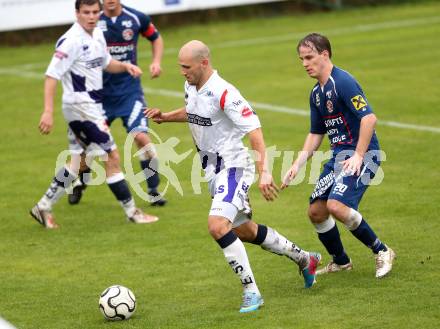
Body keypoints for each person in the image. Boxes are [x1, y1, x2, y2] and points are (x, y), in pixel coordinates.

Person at [145, 40, 321, 313]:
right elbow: (196, 113)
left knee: (217, 226)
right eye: (180, 66)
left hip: (234, 168)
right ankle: (305, 259)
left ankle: (252, 292)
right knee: (244, 231)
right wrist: (166, 117)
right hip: (212, 171)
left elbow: (255, 131)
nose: (182, 72)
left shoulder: (225, 92)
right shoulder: (191, 85)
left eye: (186, 67)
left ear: (204, 63)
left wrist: (264, 172)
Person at [29, 0, 159, 229]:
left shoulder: (97, 34)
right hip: (80, 108)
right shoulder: (70, 41)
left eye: (94, 12)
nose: (91, 16)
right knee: (112, 157)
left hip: (93, 107)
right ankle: (132, 212)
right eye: (86, 12)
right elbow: (51, 76)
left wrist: (126, 66)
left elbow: (107, 63)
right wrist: (47, 111)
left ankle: (43, 206)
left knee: (80, 161)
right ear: (77, 13)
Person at [281, 33, 395, 278]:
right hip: (338, 158)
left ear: (325, 54)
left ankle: (383, 251)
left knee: (337, 205)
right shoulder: (316, 93)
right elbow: (316, 133)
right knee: (316, 211)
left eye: (309, 57)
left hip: (364, 154)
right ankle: (341, 261)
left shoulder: (342, 82)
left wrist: (358, 155)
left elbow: (369, 118)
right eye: (301, 59)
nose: (305, 64)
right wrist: (297, 164)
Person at [68, 0, 166, 207]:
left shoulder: (136, 18)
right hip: (98, 97)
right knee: (86, 148)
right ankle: (81, 183)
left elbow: (156, 38)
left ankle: (154, 190)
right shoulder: (93, 20)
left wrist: (156, 61)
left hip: (129, 94)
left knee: (141, 137)